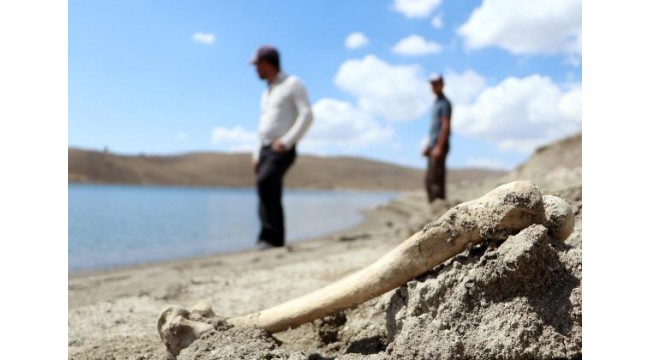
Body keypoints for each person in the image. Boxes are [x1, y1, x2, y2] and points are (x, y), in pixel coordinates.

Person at [250, 45, 313, 248]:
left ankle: (270, 236)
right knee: (267, 188)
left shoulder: (292, 83)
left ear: (267, 63)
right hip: (265, 148)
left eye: (257, 65)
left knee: (265, 182)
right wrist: (256, 154)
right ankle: (274, 238)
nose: (255, 69)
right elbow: (262, 126)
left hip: (282, 148)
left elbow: (306, 114)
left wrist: (287, 141)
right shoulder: (267, 92)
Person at [422, 73, 452, 202]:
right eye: (432, 84)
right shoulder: (436, 103)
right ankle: (433, 208)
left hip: (440, 146)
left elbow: (445, 126)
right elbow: (435, 129)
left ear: (442, 85)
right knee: (429, 180)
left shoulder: (445, 103)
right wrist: (429, 146)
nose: (433, 86)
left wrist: (439, 147)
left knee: (436, 181)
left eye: (436, 83)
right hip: (434, 145)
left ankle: (439, 210)